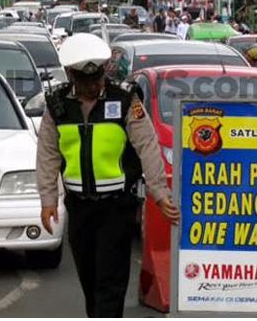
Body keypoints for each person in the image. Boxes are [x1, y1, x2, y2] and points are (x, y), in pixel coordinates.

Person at [37, 34, 180, 318]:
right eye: (85, 81)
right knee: (89, 280)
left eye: (98, 78)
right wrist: (48, 198)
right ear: (71, 76)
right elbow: (48, 153)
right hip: (79, 208)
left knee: (110, 283)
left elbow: (147, 145)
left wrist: (159, 193)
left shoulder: (125, 100)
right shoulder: (57, 106)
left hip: (116, 207)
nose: (93, 86)